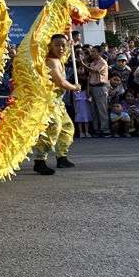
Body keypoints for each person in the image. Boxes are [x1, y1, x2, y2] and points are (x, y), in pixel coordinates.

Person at [34, 34, 81, 175]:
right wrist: (74, 87)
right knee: (53, 129)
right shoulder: (51, 61)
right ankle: (40, 161)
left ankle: (62, 158)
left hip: (59, 103)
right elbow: (60, 82)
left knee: (67, 129)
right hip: (50, 103)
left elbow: (66, 51)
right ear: (50, 46)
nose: (61, 48)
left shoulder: (60, 58)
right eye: (57, 45)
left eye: (63, 45)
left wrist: (72, 43)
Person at [82, 46, 110, 137]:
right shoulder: (93, 63)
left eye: (94, 51)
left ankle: (105, 129)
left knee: (102, 109)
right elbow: (90, 77)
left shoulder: (102, 62)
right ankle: (96, 129)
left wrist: (83, 65)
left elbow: (94, 71)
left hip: (100, 87)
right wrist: (88, 89)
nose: (92, 53)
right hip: (93, 87)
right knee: (94, 110)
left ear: (100, 53)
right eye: (91, 51)